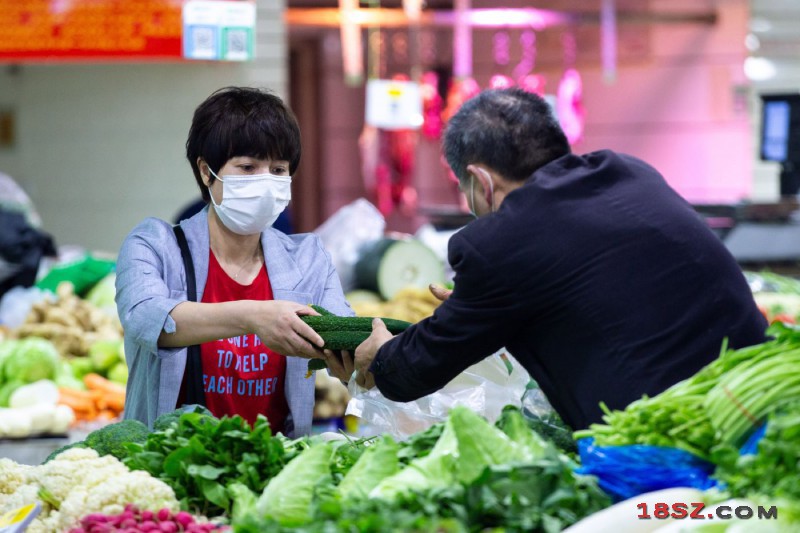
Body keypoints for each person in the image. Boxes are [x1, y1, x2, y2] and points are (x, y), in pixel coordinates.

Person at [329, 88, 768, 431]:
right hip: (761, 396)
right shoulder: (628, 171)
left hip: (667, 441)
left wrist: (381, 354)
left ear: (481, 180)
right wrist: (480, 309)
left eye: (466, 192)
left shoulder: (499, 242)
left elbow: (414, 369)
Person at [116, 87, 352, 436]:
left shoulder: (307, 259)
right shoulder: (155, 245)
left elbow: (344, 333)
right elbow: (145, 318)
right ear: (206, 172)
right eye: (247, 167)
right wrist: (254, 317)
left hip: (272, 469)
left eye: (278, 169)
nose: (265, 181)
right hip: (169, 468)